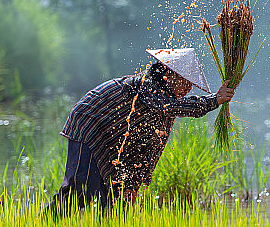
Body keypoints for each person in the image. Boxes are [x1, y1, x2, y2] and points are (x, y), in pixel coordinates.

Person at [45, 48, 234, 216]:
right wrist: (213, 101)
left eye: (191, 83)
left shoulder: (165, 105)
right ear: (169, 73)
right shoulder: (149, 85)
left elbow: (151, 146)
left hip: (114, 138)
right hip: (91, 123)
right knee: (83, 188)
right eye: (185, 81)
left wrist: (134, 183)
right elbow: (172, 107)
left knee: (119, 199)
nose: (188, 87)